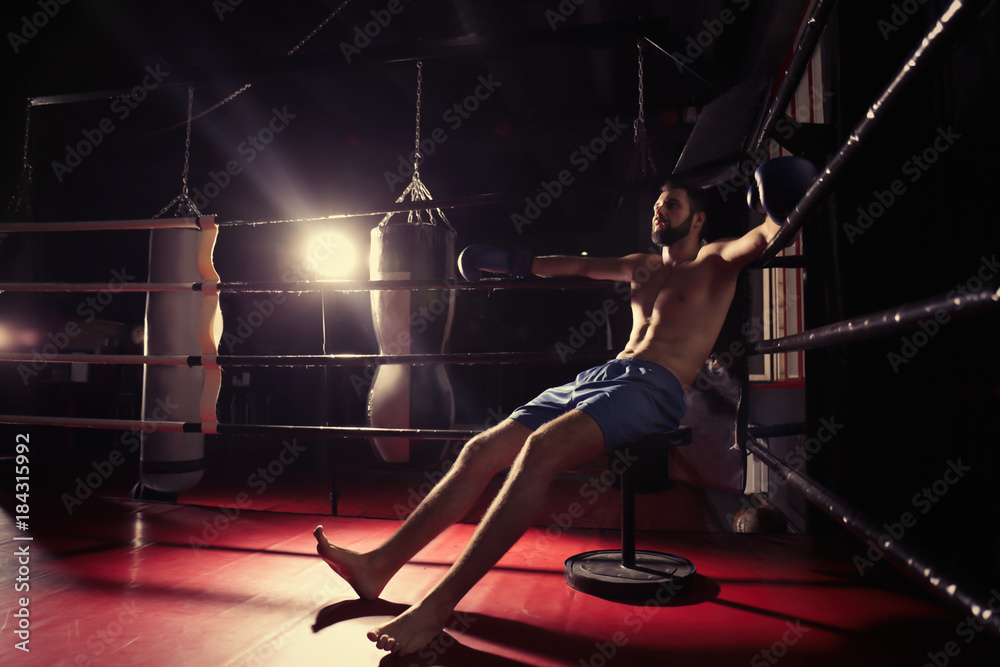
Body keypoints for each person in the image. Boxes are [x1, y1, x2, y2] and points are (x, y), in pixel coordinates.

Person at [314, 156, 817, 656]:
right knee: (480, 450)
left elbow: (764, 238)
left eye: (672, 206)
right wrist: (510, 262)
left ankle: (436, 607)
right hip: (604, 376)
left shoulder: (714, 260)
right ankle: (378, 564)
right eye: (658, 206)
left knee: (541, 449)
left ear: (698, 219)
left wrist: (778, 203)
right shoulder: (641, 267)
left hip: (657, 387)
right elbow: (575, 264)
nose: (659, 212)